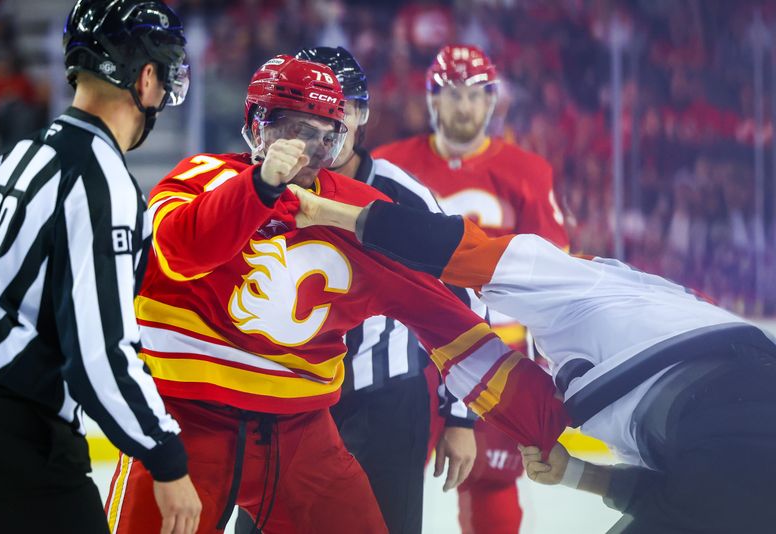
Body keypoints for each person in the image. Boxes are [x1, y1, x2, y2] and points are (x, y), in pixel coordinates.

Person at [107, 54, 568, 534]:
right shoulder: (200, 177)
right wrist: (258, 189)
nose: (305, 151)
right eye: (292, 130)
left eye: (323, 137)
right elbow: (180, 250)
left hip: (301, 429)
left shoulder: (359, 207)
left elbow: (441, 312)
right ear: (256, 126)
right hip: (187, 416)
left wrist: (541, 415)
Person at [289, 189, 776, 534]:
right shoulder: (666, 299)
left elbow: (455, 248)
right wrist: (574, 474)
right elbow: (687, 492)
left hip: (717, 420)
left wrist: (329, 212)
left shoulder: (573, 279)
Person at [0, 1, 202, 533]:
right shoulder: (100, 182)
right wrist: (166, 457)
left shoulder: (15, 159)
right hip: (15, 437)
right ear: (147, 78)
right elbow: (99, 356)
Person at [374, 43, 570, 533]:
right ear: (432, 99)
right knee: (378, 487)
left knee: (493, 492)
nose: (464, 106)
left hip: (494, 357)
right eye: (453, 94)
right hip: (405, 357)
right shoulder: (386, 165)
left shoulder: (528, 173)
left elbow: (556, 276)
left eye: (475, 95)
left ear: (492, 101)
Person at [284, 45, 477, 534]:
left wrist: (461, 416)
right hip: (288, 395)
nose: (332, 121)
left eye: (343, 106)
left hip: (387, 400)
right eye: (317, 106)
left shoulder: (401, 192)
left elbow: (465, 297)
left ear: (361, 114)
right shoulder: (264, 186)